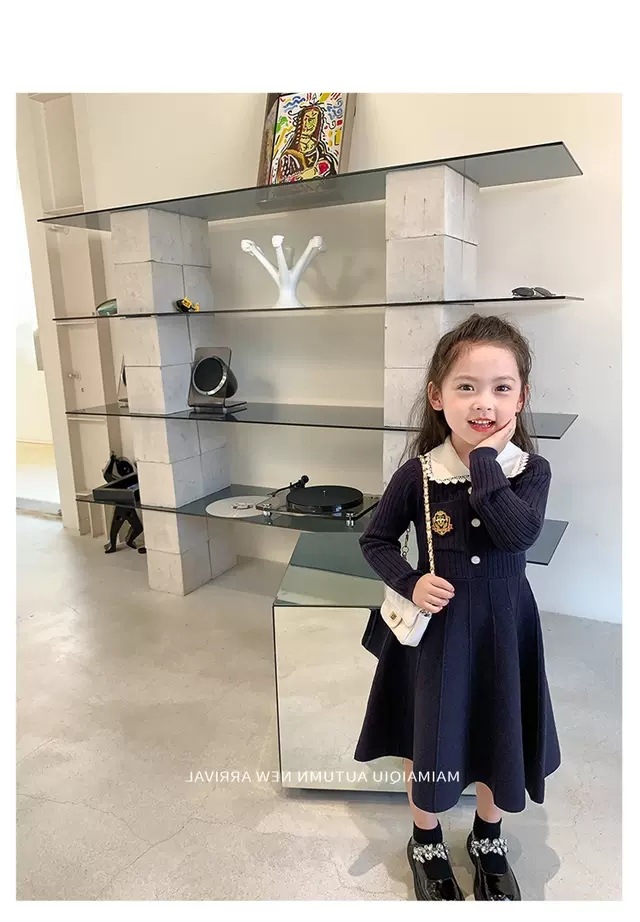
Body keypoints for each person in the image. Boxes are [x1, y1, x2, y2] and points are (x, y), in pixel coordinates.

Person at [354, 313, 561, 901]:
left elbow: (517, 534)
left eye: (501, 387)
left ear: (521, 398)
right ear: (437, 396)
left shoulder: (530, 471)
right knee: (430, 733)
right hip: (438, 634)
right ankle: (426, 838)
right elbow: (375, 540)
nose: (483, 402)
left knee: (500, 728)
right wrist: (410, 580)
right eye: (466, 386)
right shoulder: (418, 475)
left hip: (502, 630)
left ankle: (488, 835)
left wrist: (486, 463)